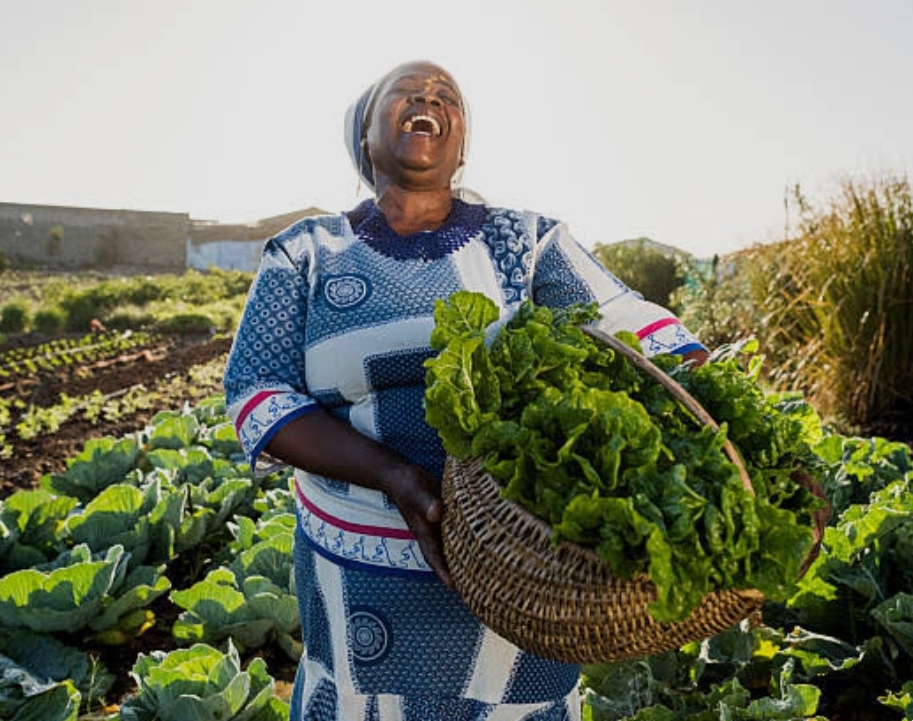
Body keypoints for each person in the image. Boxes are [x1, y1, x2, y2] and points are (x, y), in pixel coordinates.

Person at [222, 60, 708, 721]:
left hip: (520, 566)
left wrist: (736, 437)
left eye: (446, 97)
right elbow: (257, 393)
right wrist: (395, 475)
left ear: (460, 144)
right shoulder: (306, 252)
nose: (429, 100)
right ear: (364, 132)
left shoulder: (526, 242)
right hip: (359, 574)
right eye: (408, 92)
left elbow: (634, 327)